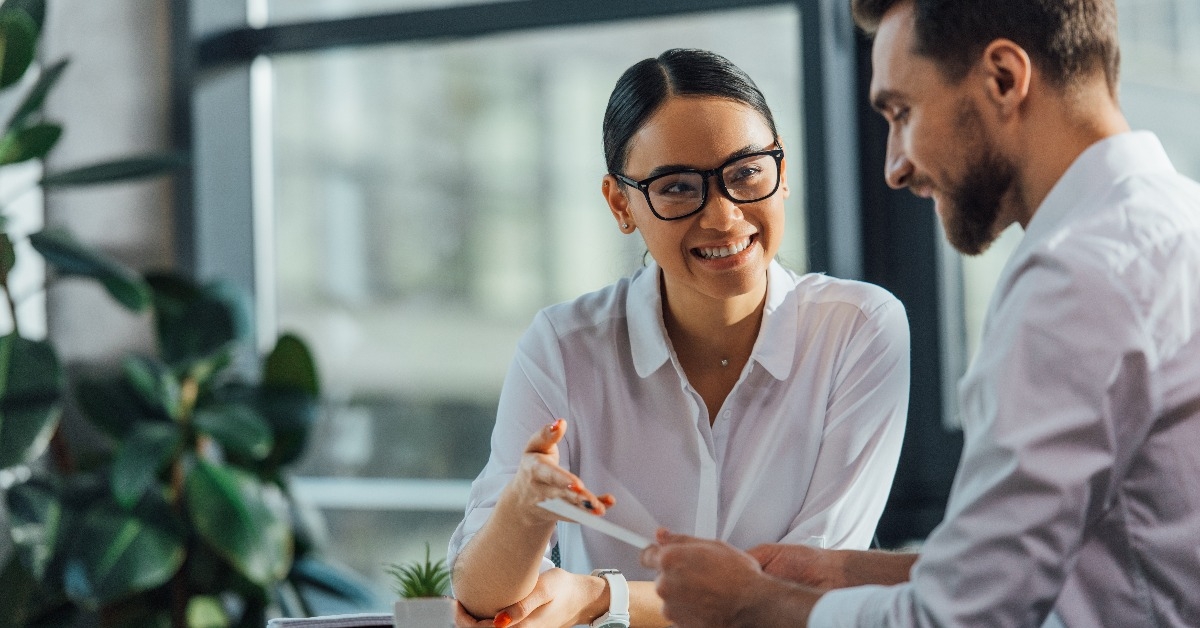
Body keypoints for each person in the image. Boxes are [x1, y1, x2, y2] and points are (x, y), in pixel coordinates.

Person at [641, 1, 1200, 626]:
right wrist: (849, 573)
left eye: (902, 113)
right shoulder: (1174, 224)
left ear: (1004, 79)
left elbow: (959, 620)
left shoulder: (1075, 281)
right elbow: (1102, 562)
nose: (895, 166)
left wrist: (754, 604)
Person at [447, 48, 911, 628]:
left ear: (783, 172)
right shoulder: (564, 346)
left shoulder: (859, 328)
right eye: (677, 187)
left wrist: (604, 598)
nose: (723, 216)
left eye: (746, 173)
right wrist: (524, 510)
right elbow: (482, 600)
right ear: (621, 204)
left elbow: (804, 587)